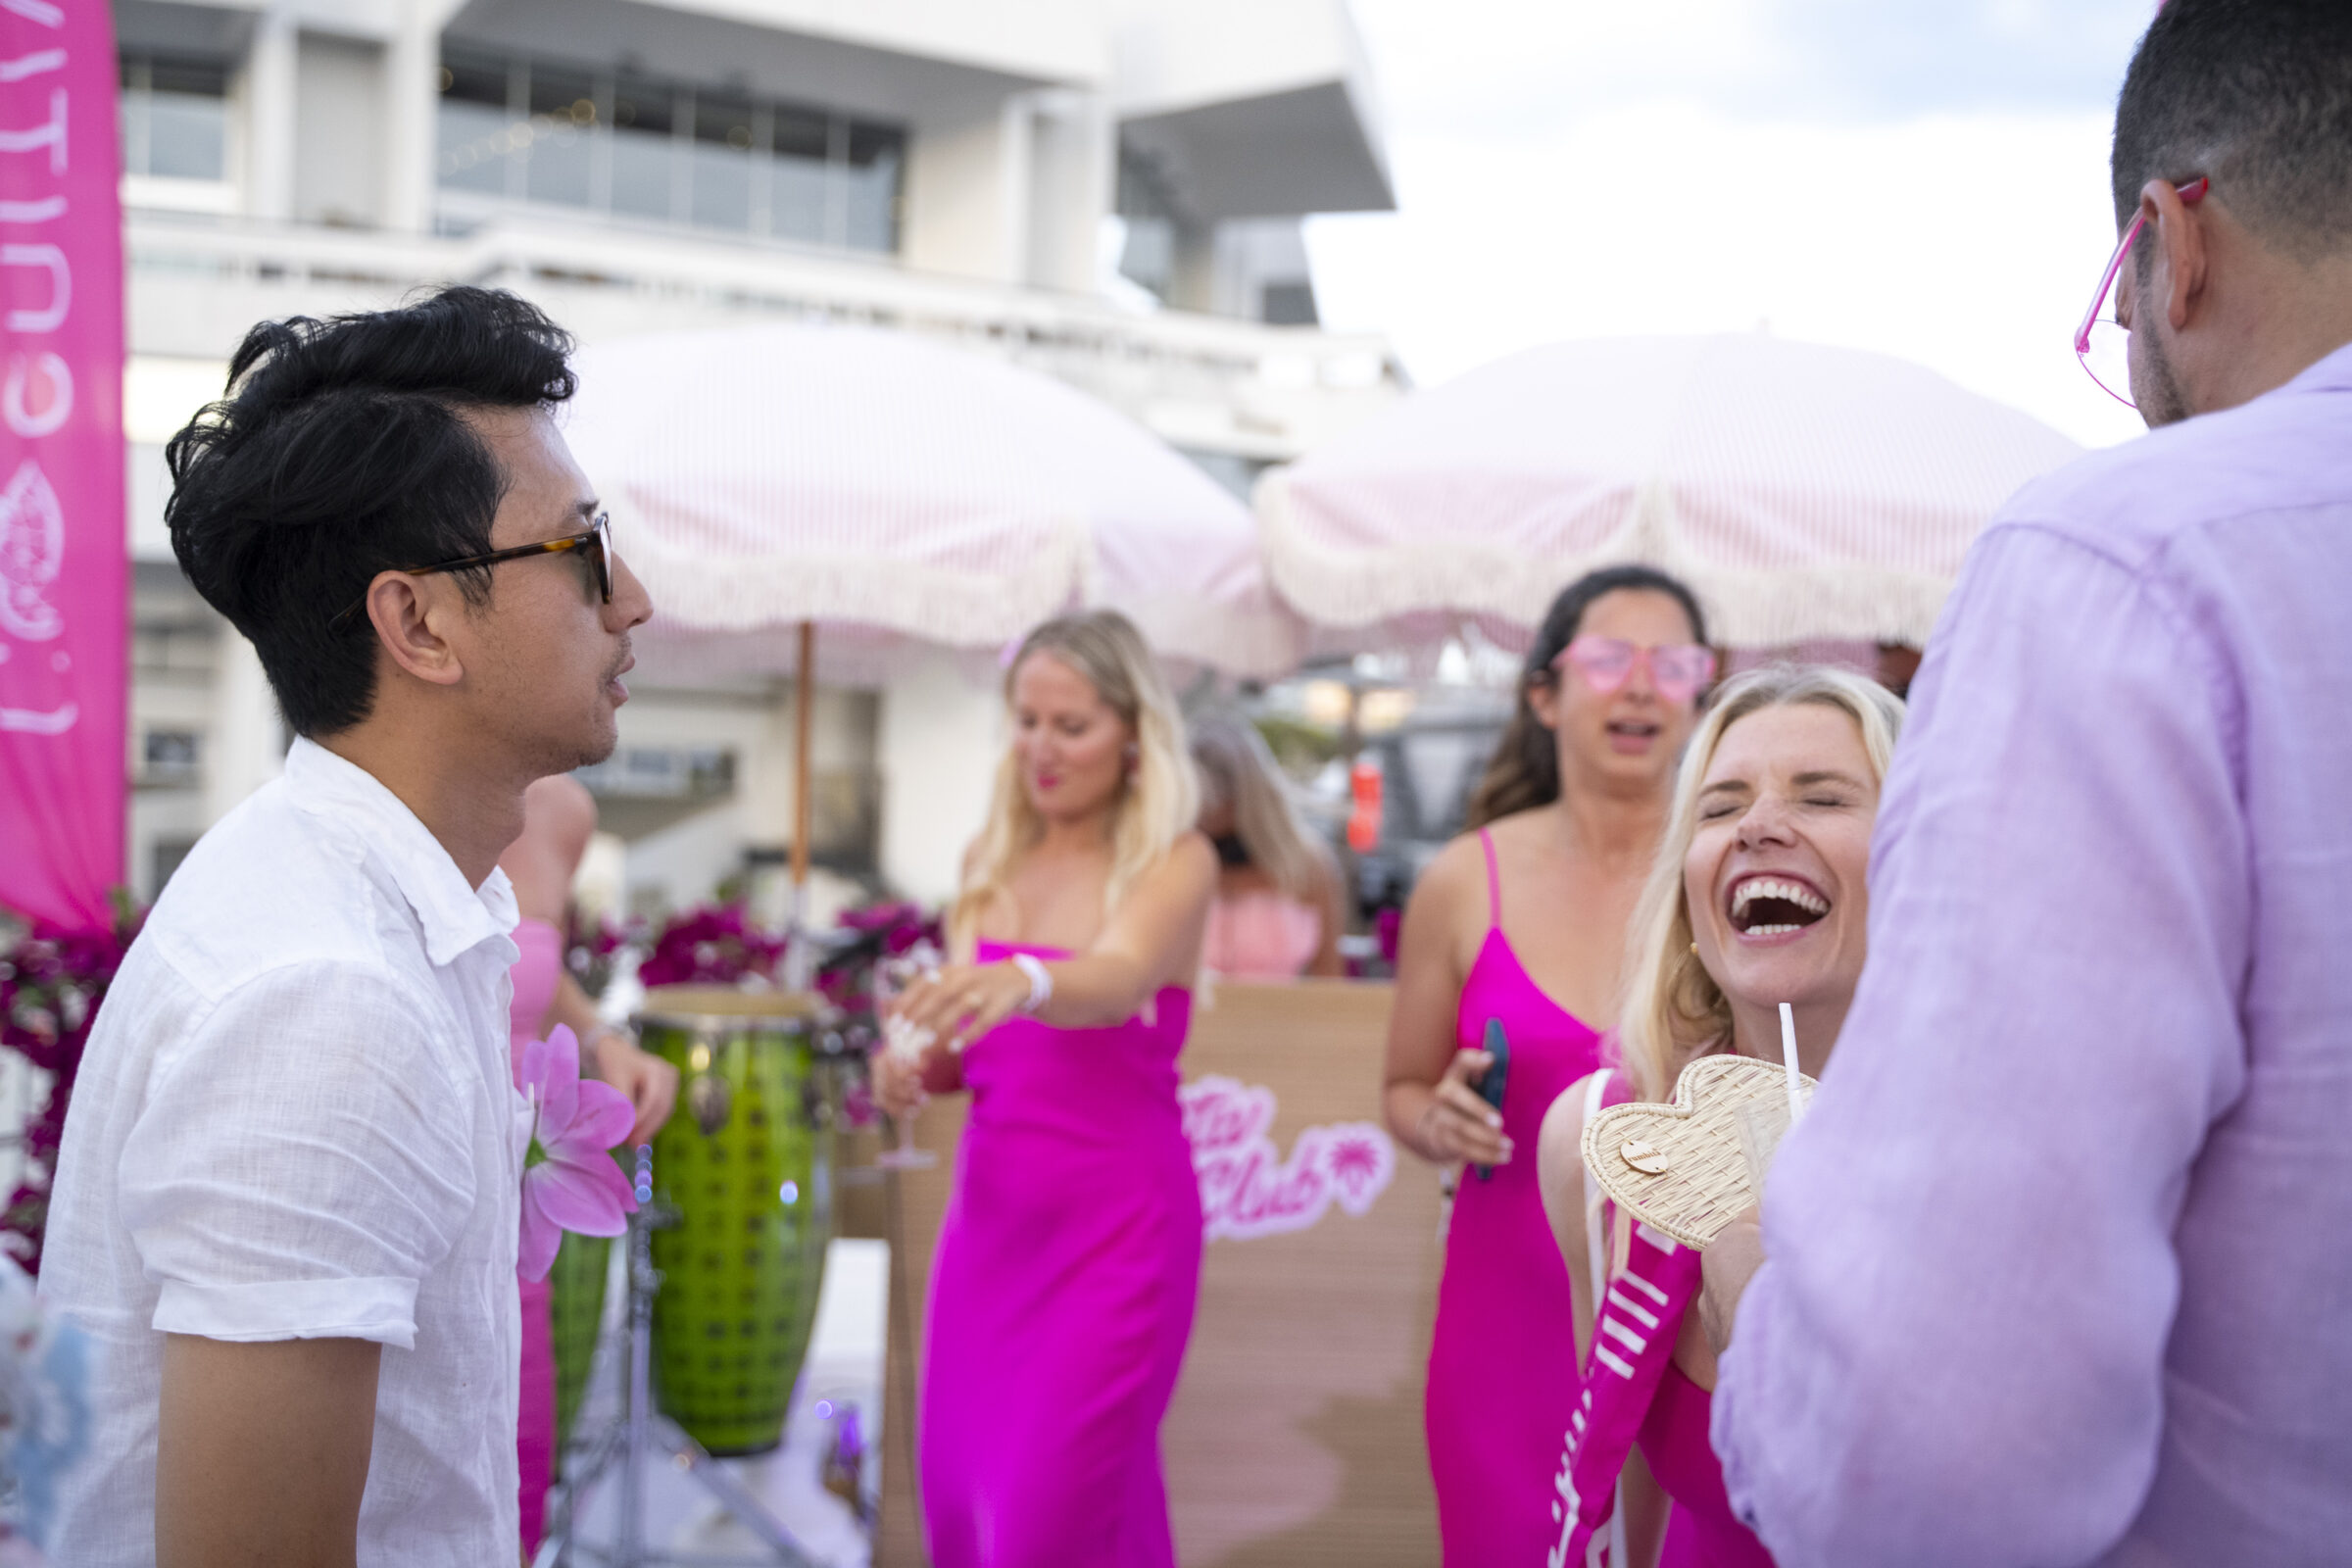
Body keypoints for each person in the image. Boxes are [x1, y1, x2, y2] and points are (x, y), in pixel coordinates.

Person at [1700, 4, 2352, 1562]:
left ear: (2170, 246)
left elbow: (1939, 1443)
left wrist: (1761, 1299)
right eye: (1723, 803)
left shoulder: (2133, 562)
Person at [40, 286, 653, 1566]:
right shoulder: (325, 1000)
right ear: (418, 623)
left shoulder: (378, 903)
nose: (633, 598)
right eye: (584, 548)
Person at [1380, 564, 1714, 1565]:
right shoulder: (1462, 879)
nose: (1642, 685)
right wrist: (1434, 1117)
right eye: (1609, 658)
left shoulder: (1729, 871)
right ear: (1544, 694)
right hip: (1504, 1326)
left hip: (1689, 1330)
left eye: (1673, 662)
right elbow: (1402, 1088)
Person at [1535, 666, 1902, 1568]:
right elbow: (1623, 1493)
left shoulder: (2012, 1158)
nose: (1758, 826)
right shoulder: (1608, 1147)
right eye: (1720, 806)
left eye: (1822, 797)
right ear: (1692, 901)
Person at [873, 610, 1214, 1568]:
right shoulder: (989, 858)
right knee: (959, 1507)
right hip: (990, 1232)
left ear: (1134, 735)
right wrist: (908, 1064)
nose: (1042, 748)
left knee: (1052, 1524)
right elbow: (966, 1052)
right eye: (1027, 721)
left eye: (1072, 725)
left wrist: (1022, 978)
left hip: (1117, 1235)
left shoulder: (1174, 858)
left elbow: (1119, 979)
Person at [498, 775, 678, 1553]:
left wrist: (603, 1040)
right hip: (412, 1218)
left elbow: (527, 964)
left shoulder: (561, 809)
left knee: (515, 1493)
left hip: (519, 1227)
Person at [1190, 710, 1346, 979]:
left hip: (1284, 1005)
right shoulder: (1174, 862)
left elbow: (1329, 973)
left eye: (1217, 802)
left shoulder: (1307, 864)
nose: (1206, 816)